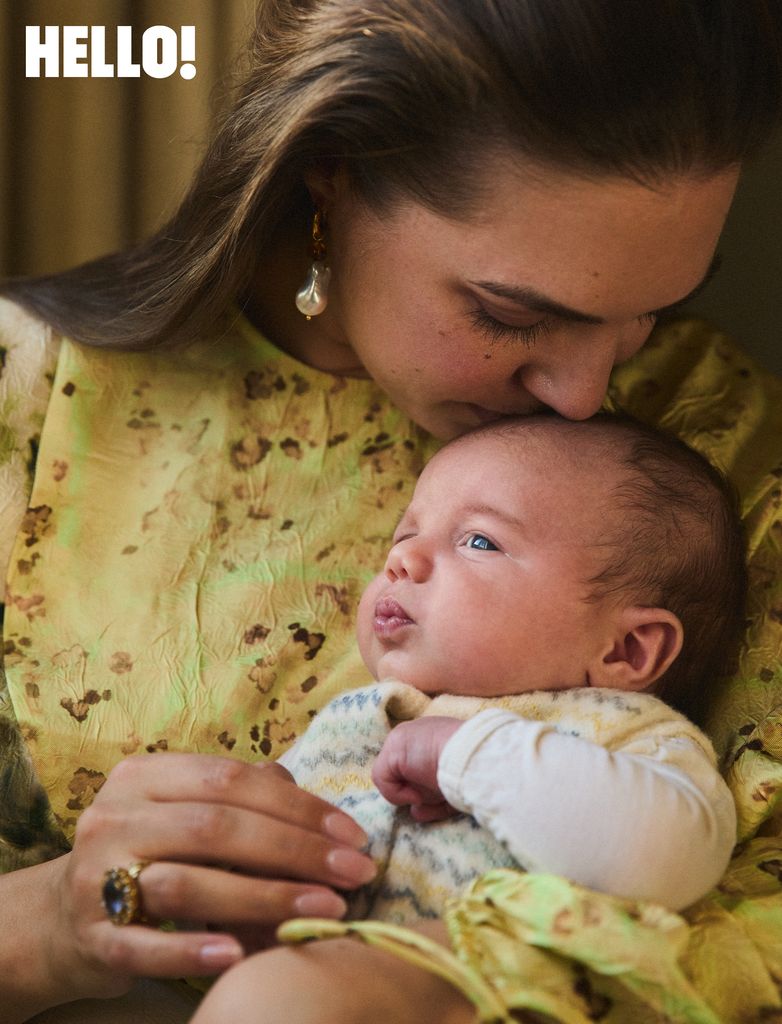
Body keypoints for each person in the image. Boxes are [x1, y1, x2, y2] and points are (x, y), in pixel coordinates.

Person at [0, 2, 781, 1022]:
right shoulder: (30, 391)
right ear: (332, 172)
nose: (589, 394)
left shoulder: (715, 449)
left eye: (644, 316)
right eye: (509, 312)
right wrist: (56, 925)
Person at [190, 410, 745, 1021]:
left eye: (479, 541)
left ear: (625, 650)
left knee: (275, 1000)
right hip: (316, 962)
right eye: (404, 536)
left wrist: (470, 753)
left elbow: (667, 857)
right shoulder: (353, 718)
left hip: (483, 985)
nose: (402, 562)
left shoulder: (619, 732)